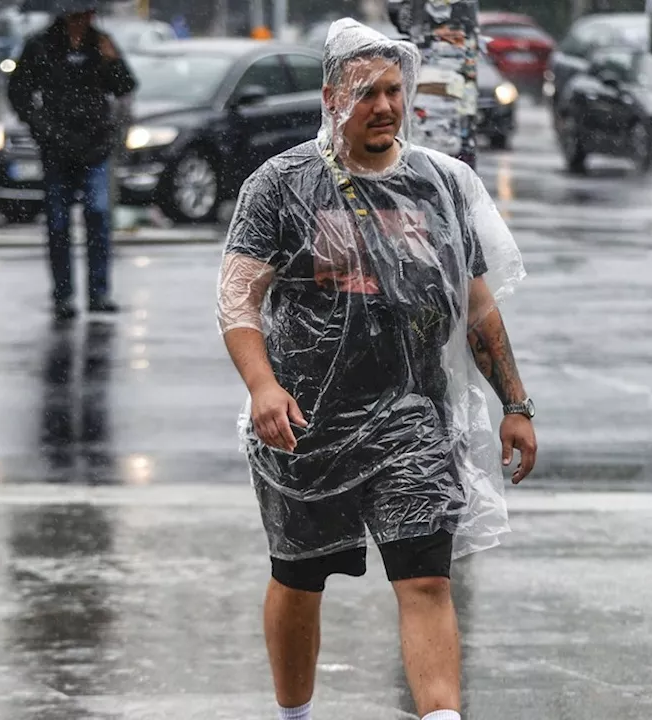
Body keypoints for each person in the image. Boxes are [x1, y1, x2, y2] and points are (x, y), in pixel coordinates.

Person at [215, 19, 535, 720]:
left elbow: (475, 307)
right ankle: (293, 715)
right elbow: (238, 298)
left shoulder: (439, 186)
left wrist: (516, 403)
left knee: (426, 579)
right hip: (305, 423)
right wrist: (263, 387)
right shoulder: (282, 184)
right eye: (366, 93)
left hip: (412, 419)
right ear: (332, 98)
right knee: (299, 578)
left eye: (394, 90)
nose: (384, 106)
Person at [7, 1, 137, 321]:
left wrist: (113, 61)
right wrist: (42, 129)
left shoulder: (101, 43)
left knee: (98, 214)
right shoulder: (40, 45)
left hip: (95, 145)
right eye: (78, 15)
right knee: (58, 223)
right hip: (57, 147)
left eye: (88, 15)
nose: (84, 21)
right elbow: (19, 93)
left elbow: (125, 86)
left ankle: (98, 291)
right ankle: (63, 294)